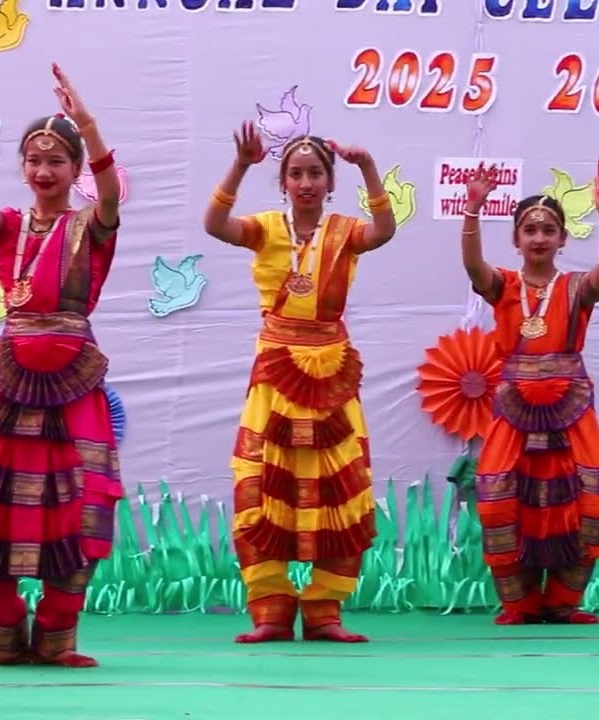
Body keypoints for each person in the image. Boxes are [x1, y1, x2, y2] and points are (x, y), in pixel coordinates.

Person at [0, 62, 124, 668]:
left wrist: (88, 123)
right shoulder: (10, 229)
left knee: (79, 506)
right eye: (34, 160)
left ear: (75, 171)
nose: (44, 171)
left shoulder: (92, 227)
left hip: (75, 389)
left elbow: (113, 194)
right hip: (13, 386)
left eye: (57, 161)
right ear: (23, 167)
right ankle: (3, 629)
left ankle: (56, 634)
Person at [203, 125, 396, 643]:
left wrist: (369, 166)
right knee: (264, 483)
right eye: (296, 174)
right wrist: (241, 164)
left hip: (331, 371)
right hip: (275, 372)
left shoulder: (345, 231)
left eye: (315, 173)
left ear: (329, 181)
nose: (305, 182)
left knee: (340, 484)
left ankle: (324, 611)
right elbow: (214, 223)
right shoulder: (265, 229)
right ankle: (270, 609)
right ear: (283, 182)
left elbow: (385, 230)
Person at [459, 160, 599, 625]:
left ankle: (563, 602)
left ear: (563, 239)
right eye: (529, 229)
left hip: (571, 410)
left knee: (584, 504)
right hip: (514, 408)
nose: (538, 237)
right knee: (500, 502)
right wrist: (473, 208)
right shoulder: (504, 286)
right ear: (516, 239)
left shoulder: (575, 288)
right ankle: (519, 602)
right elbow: (471, 263)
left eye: (549, 229)